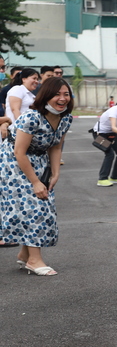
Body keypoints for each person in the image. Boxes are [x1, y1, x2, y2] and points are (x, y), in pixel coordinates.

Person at [0, 77, 73, 275]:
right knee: (35, 206)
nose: (62, 98)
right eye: (56, 94)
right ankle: (34, 259)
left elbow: (56, 145)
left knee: (42, 203)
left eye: (66, 94)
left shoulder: (66, 118)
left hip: (39, 161)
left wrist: (56, 172)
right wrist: (34, 181)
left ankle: (24, 254)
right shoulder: (32, 117)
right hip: (13, 163)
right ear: (45, 95)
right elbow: (18, 152)